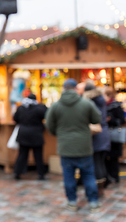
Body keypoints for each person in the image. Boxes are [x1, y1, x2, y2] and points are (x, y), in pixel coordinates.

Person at [45, 79, 102, 212]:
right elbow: (97, 119)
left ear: (64, 89)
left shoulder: (56, 105)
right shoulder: (86, 103)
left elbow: (49, 125)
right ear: (76, 88)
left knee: (68, 176)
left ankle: (72, 202)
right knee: (88, 175)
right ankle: (93, 202)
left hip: (65, 147)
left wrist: (58, 133)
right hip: (84, 146)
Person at [82, 81, 110, 197]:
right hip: (104, 133)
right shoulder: (101, 100)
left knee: (96, 162)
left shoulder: (89, 102)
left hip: (96, 134)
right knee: (101, 161)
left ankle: (99, 189)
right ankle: (102, 187)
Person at [13, 93, 48, 180]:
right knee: (38, 156)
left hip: (23, 134)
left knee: (22, 155)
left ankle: (17, 173)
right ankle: (41, 174)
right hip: (36, 134)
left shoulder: (21, 107)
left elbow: (15, 118)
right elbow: (47, 114)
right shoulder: (40, 108)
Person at [104, 86, 125, 186]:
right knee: (106, 157)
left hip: (114, 135)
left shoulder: (116, 105)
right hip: (105, 135)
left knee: (114, 158)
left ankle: (114, 177)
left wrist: (111, 120)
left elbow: (121, 120)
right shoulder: (102, 105)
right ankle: (108, 176)